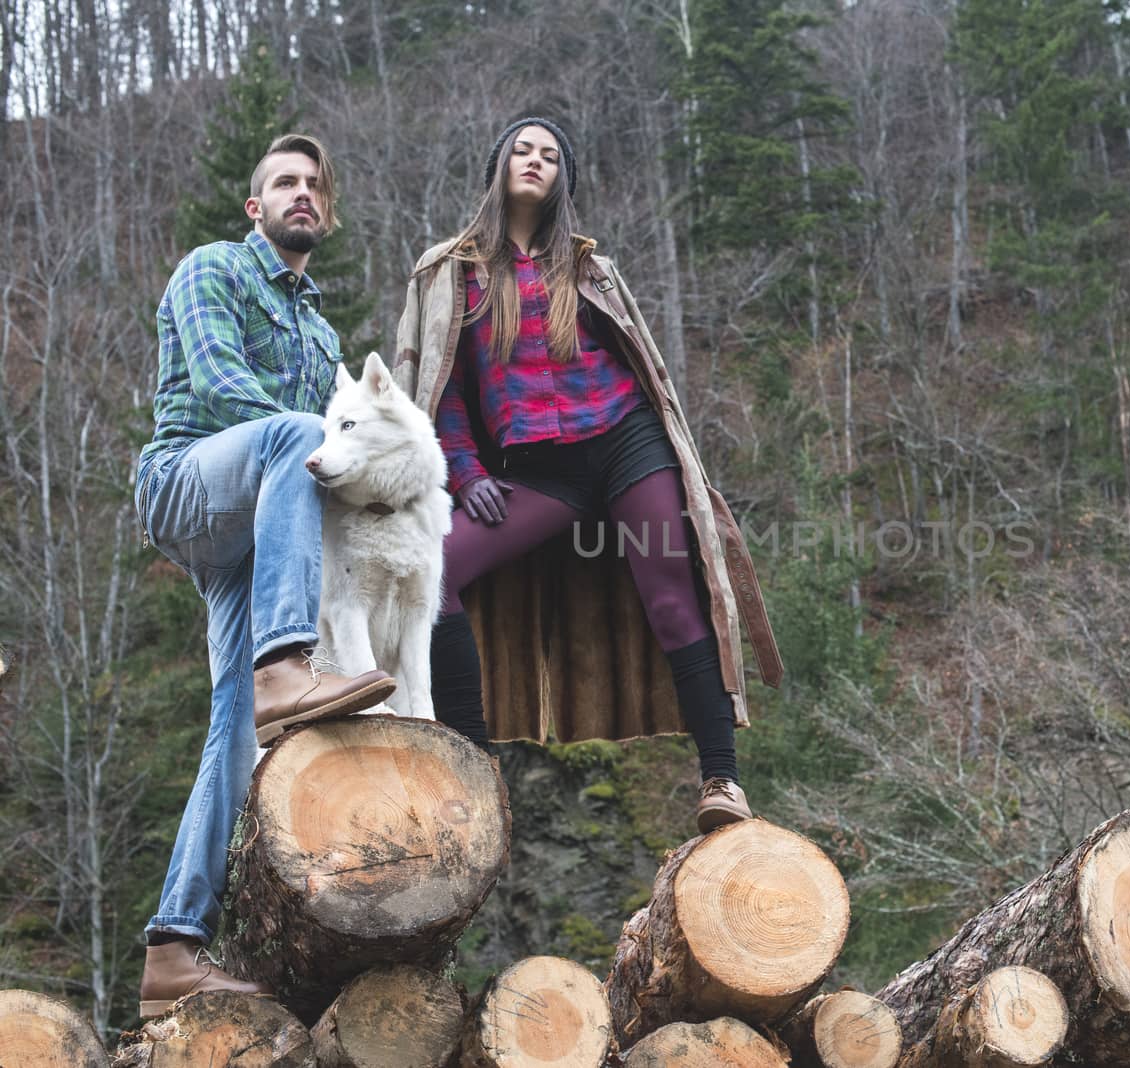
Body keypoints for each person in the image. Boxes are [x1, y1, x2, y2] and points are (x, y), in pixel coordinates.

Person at [390, 117, 784, 833]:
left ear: (561, 177)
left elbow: (642, 368)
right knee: (429, 571)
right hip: (541, 471)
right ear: (499, 164)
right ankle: (476, 771)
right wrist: (467, 470)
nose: (535, 161)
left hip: (627, 443)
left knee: (669, 596)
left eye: (550, 155)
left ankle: (722, 782)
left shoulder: (588, 266)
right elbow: (441, 390)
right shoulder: (450, 270)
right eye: (523, 150)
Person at [134, 134, 396, 1015]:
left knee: (233, 733)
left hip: (254, 541)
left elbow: (331, 464)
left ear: (327, 211)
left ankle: (172, 946)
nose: (302, 194)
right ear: (257, 207)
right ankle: (285, 664)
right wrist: (327, 454)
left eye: (316, 185)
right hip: (186, 484)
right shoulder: (214, 269)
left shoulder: (322, 334)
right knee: (292, 435)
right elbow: (216, 389)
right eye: (285, 182)